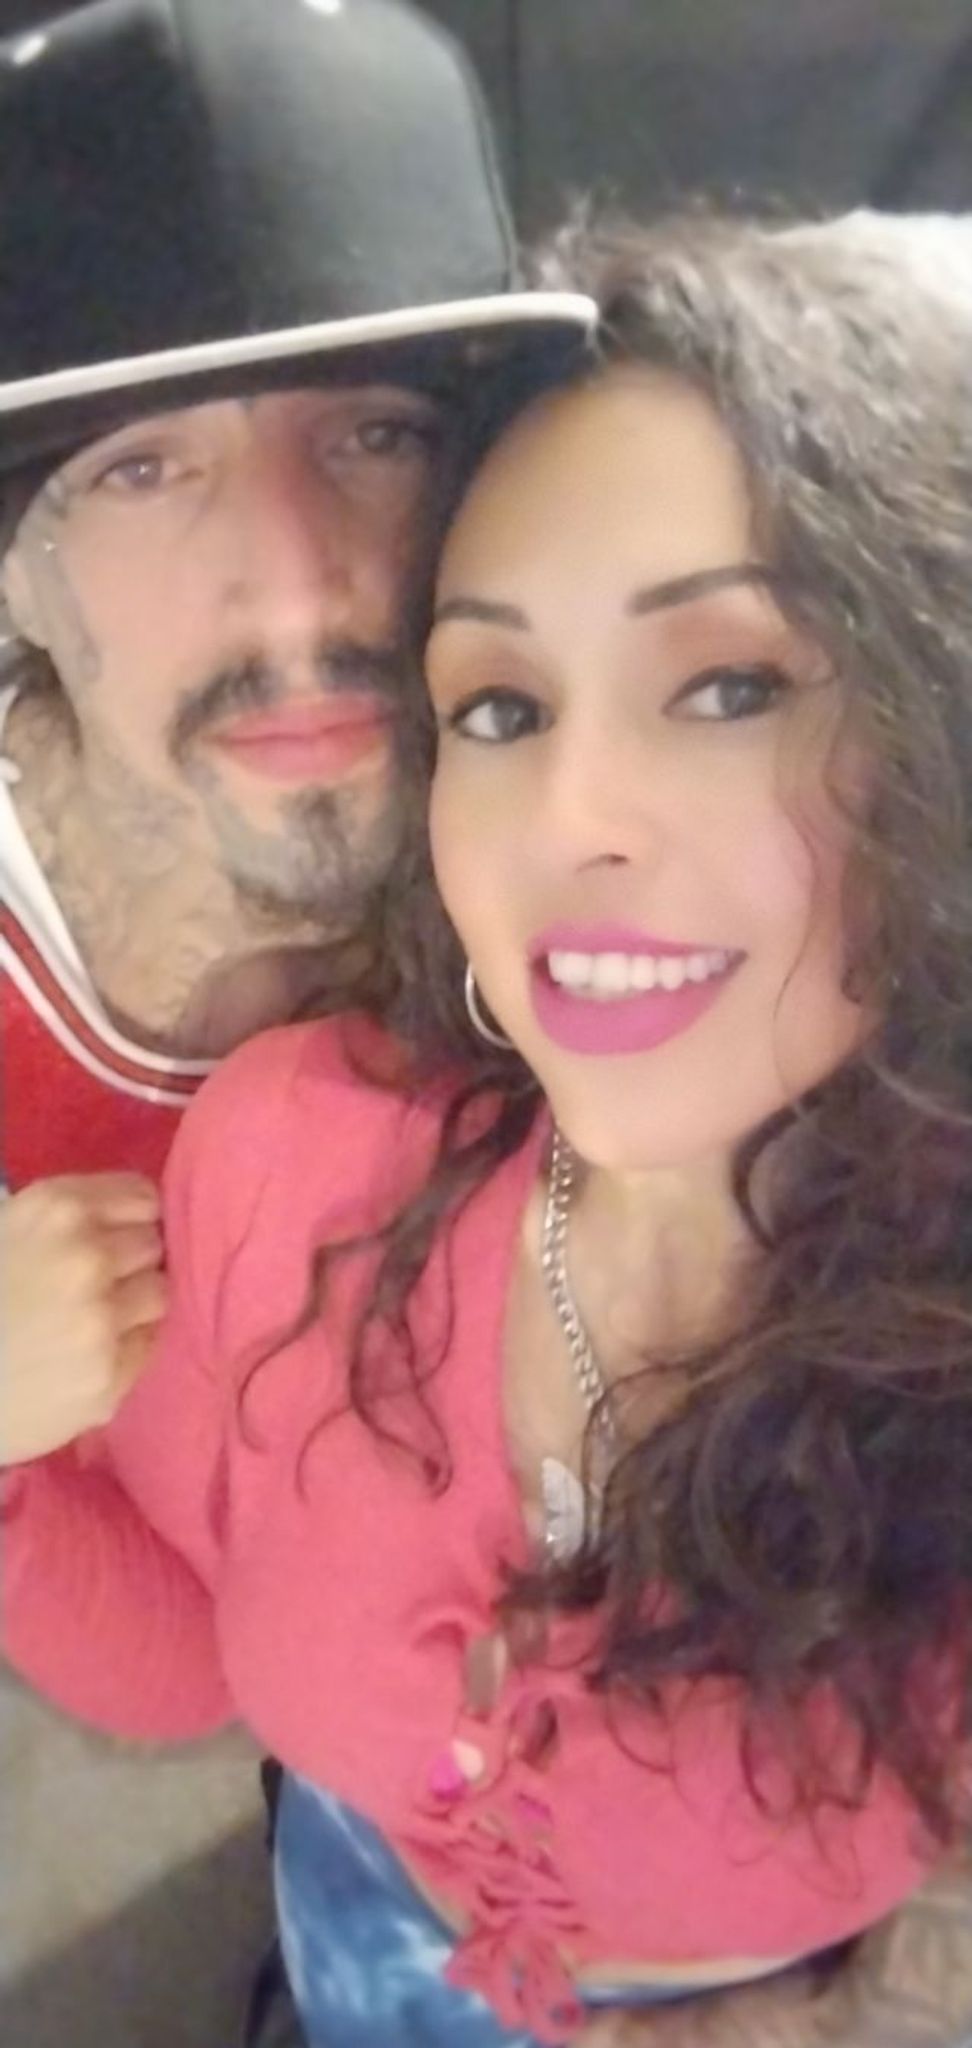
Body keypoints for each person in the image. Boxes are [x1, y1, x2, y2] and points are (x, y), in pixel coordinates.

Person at [6, 202, 972, 2045]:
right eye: (501, 706)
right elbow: (189, 1656)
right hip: (356, 1926)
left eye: (729, 686)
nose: (571, 817)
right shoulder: (291, 1160)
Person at [0, 0, 592, 2028]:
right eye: (142, 465)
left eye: (374, 433)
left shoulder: (617, 812)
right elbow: (166, 1658)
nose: (299, 591)